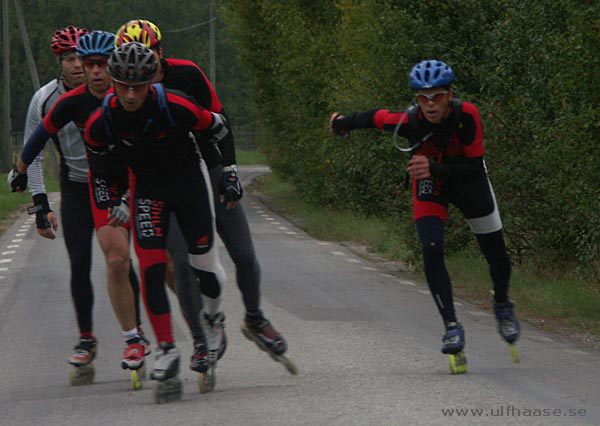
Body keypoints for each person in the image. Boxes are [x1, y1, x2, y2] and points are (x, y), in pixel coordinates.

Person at [115, 20, 292, 373]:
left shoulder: (188, 74)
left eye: (149, 59)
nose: (139, 74)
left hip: (208, 168)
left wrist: (230, 170)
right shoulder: (126, 97)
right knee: (182, 263)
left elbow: (220, 119)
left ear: (161, 54)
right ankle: (200, 337)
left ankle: (254, 318)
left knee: (242, 252)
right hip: (172, 183)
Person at [329, 59, 520, 365]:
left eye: (437, 97)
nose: (430, 105)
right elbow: (375, 117)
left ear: (449, 95)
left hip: (468, 182)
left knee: (497, 256)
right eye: (423, 98)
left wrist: (432, 166)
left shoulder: (467, 115)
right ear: (416, 99)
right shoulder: (411, 121)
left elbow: (473, 167)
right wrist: (343, 123)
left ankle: (501, 303)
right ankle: (452, 327)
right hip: (432, 184)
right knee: (431, 248)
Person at [84, 41, 229, 399]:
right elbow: (104, 171)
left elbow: (219, 127)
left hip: (189, 184)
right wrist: (116, 200)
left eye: (139, 86)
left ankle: (211, 319)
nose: (130, 95)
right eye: (122, 85)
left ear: (153, 82)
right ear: (113, 83)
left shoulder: (176, 104)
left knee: (203, 267)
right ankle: (166, 348)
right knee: (150, 267)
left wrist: (228, 171)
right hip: (147, 190)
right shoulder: (101, 121)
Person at [8, 30, 149, 383]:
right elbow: (34, 148)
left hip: (116, 183)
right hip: (75, 185)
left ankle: (137, 333)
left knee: (119, 258)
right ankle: (87, 338)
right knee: (80, 263)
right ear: (65, 65)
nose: (82, 68)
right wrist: (39, 201)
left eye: (91, 62)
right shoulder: (49, 99)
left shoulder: (124, 93)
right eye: (73, 61)